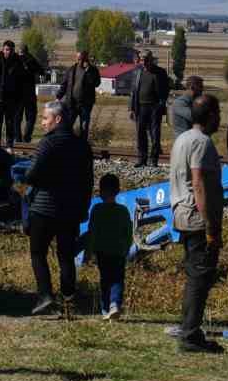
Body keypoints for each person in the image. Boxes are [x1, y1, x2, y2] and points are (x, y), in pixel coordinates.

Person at [24, 100, 94, 315]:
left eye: (45, 118)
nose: (42, 123)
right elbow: (88, 181)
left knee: (38, 253)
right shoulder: (82, 145)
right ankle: (68, 298)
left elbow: (32, 175)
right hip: (70, 210)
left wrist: (27, 177)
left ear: (58, 119)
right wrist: (83, 207)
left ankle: (45, 295)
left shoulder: (48, 143)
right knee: (66, 256)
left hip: (44, 208)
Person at [169, 93, 225, 353]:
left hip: (182, 213)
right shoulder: (202, 143)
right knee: (200, 278)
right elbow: (200, 183)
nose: (220, 118)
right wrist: (211, 226)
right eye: (218, 113)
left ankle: (189, 328)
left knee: (195, 276)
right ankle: (190, 335)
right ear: (211, 115)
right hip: (197, 217)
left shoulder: (183, 138)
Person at [82, 173, 133, 319]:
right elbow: (128, 232)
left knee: (105, 279)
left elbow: (91, 232)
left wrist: (88, 253)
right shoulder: (123, 210)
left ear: (100, 191)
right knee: (117, 278)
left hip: (102, 251)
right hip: (119, 251)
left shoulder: (96, 210)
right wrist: (127, 248)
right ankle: (115, 303)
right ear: (118, 191)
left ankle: (105, 309)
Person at [128, 50, 171, 167]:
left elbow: (165, 90)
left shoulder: (160, 72)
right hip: (140, 108)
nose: (144, 62)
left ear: (151, 60)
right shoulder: (137, 72)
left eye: (147, 60)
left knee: (155, 135)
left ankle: (154, 160)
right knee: (140, 134)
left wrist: (161, 105)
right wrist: (131, 108)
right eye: (142, 60)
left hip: (154, 108)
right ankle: (142, 159)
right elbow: (133, 91)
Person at [0, 41, 24, 148]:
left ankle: (9, 144)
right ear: (3, 50)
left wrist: (20, 98)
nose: (8, 52)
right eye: (7, 49)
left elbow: (22, 82)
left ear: (13, 50)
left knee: (10, 123)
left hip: (12, 98)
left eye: (11, 50)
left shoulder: (18, 63)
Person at [60, 50, 100, 137]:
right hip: (72, 103)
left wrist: (88, 71)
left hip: (85, 104)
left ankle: (82, 146)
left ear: (86, 59)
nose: (80, 61)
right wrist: (58, 96)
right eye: (78, 59)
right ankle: (67, 144)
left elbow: (96, 83)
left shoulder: (93, 70)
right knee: (68, 125)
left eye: (82, 59)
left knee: (84, 127)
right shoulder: (71, 70)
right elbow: (64, 84)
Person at [15, 43, 43, 143]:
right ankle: (27, 137)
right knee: (31, 117)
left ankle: (17, 139)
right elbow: (41, 71)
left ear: (19, 51)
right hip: (29, 93)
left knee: (16, 118)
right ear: (27, 51)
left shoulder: (14, 60)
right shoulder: (31, 59)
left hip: (17, 94)